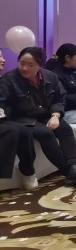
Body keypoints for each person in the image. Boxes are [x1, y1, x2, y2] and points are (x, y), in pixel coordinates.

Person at [0, 47, 76, 186]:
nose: (24, 68)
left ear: (40, 65)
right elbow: (2, 104)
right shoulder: (9, 80)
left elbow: (60, 98)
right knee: (46, 134)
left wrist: (55, 115)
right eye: (21, 63)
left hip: (46, 114)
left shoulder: (50, 77)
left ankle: (74, 168)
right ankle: (69, 172)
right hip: (23, 119)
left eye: (30, 65)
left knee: (64, 128)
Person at [0, 49, 39, 189]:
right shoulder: (8, 79)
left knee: (25, 131)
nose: (3, 60)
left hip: (3, 119)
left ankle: (27, 171)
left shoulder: (2, 79)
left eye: (2, 56)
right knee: (12, 131)